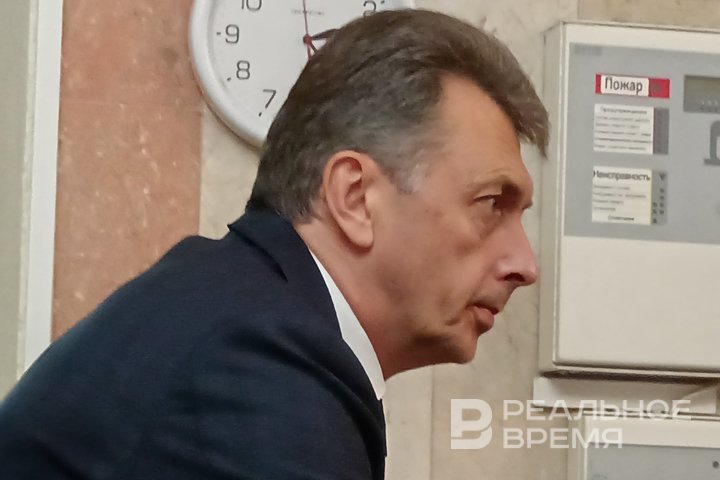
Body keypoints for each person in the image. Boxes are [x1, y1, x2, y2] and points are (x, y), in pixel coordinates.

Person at [0, 8, 547, 480]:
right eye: (490, 204)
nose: (524, 265)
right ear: (355, 198)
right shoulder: (258, 369)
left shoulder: (237, 309)